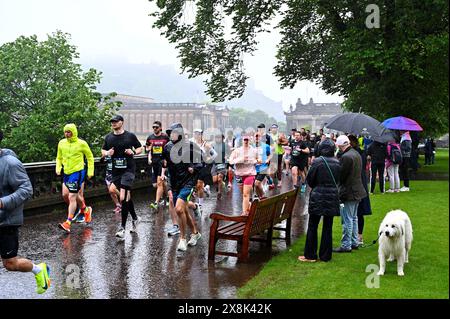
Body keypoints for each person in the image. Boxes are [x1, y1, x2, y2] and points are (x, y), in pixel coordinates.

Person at [0, 131, 51, 294]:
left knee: (10, 264)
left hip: (5, 221)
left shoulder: (10, 163)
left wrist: (2, 202)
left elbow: (26, 189)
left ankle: (39, 270)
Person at [162, 123, 204, 251]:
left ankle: (182, 239)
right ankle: (195, 234)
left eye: (174, 133)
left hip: (188, 182)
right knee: (183, 211)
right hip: (174, 183)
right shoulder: (167, 147)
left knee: (179, 209)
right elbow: (164, 164)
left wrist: (193, 168)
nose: (171, 135)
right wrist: (168, 184)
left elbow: (201, 162)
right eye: (170, 133)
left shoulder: (190, 145)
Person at [298, 139, 341, 262]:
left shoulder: (317, 162)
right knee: (328, 226)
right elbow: (339, 179)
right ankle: (325, 256)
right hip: (332, 195)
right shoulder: (337, 162)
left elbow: (310, 180)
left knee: (313, 225)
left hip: (318, 194)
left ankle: (310, 255)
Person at [102, 115, 143, 239]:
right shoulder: (108, 137)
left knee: (123, 196)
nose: (113, 123)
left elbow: (140, 148)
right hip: (116, 171)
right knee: (123, 196)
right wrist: (107, 153)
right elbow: (102, 151)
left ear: (122, 122)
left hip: (128, 170)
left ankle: (122, 228)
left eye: (115, 121)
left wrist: (133, 152)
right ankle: (135, 218)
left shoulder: (130, 136)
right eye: (112, 122)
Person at [56, 124, 94, 233]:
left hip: (77, 172)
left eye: (69, 132)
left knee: (72, 196)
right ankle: (86, 210)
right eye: (65, 132)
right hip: (66, 172)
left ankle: (68, 223)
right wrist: (58, 168)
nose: (67, 134)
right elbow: (58, 157)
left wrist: (90, 171)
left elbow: (90, 157)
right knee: (65, 195)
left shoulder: (82, 143)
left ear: (74, 132)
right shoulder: (61, 143)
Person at [333, 135, 367, 253]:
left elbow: (341, 175)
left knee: (347, 219)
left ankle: (346, 245)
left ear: (341, 145)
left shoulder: (346, 157)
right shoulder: (355, 153)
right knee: (354, 218)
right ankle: (354, 242)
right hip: (357, 190)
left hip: (349, 191)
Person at [348, 135, 372, 246]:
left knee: (354, 212)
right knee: (358, 212)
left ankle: (355, 236)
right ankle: (358, 235)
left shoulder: (353, 154)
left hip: (356, 182)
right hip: (361, 182)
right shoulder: (361, 152)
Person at [228, 133, 258, 215]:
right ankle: (250, 206)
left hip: (250, 174)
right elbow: (230, 161)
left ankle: (244, 213)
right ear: (242, 140)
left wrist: (253, 161)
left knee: (245, 194)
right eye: (245, 139)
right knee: (244, 195)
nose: (246, 141)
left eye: (247, 139)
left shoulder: (254, 150)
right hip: (239, 175)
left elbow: (258, 160)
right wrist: (241, 159)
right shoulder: (237, 151)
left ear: (250, 140)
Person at [146, 121, 170, 211]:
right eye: (153, 127)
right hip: (154, 163)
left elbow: (170, 149)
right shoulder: (150, 138)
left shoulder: (165, 137)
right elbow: (147, 149)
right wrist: (149, 158)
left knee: (160, 182)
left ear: (160, 127)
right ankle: (167, 197)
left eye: (156, 127)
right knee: (156, 184)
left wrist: (167, 160)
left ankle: (156, 202)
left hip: (162, 162)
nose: (154, 129)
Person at [191, 129, 217, 214]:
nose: (197, 135)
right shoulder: (192, 143)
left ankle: (200, 205)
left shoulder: (206, 145)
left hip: (204, 166)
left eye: (198, 134)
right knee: (197, 186)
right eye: (195, 134)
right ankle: (206, 188)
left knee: (199, 185)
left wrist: (208, 159)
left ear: (201, 135)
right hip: (195, 165)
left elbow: (215, 154)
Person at [254, 132, 272, 199]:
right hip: (255, 168)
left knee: (257, 183)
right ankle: (260, 197)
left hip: (263, 167)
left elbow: (270, 154)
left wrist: (268, 159)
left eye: (258, 136)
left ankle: (263, 196)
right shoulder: (252, 146)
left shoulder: (266, 146)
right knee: (256, 185)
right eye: (256, 136)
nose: (257, 138)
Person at [269, 124, 286, 188]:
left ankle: (279, 181)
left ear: (277, 129)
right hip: (271, 154)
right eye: (273, 128)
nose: (274, 129)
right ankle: (271, 182)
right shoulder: (269, 136)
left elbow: (286, 142)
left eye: (275, 128)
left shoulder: (280, 135)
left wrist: (280, 143)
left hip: (279, 153)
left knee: (278, 168)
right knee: (272, 168)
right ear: (271, 129)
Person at [211, 134, 228, 199]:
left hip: (222, 164)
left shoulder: (225, 146)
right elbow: (210, 153)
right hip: (215, 164)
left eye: (219, 138)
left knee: (220, 178)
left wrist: (227, 157)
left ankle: (219, 192)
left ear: (222, 138)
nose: (217, 139)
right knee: (215, 180)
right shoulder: (213, 145)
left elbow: (229, 153)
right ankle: (220, 185)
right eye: (216, 137)